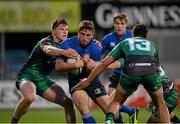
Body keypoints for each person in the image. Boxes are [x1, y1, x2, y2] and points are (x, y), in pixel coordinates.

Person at [73, 24, 170, 123]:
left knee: (116, 101)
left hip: (131, 72)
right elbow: (158, 67)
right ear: (146, 35)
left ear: (133, 33)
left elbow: (104, 63)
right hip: (150, 72)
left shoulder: (125, 42)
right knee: (161, 104)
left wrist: (88, 80)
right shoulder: (152, 45)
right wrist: (165, 82)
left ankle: (109, 120)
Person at [11, 19, 77, 123]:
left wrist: (94, 42)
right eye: (61, 29)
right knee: (29, 97)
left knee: (68, 102)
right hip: (28, 75)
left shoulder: (67, 45)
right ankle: (14, 121)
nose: (65, 32)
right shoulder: (46, 41)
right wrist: (64, 53)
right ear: (53, 31)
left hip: (44, 79)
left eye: (67, 29)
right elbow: (48, 50)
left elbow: (82, 42)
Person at [55, 20, 122, 123]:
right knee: (82, 106)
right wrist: (75, 65)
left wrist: (90, 65)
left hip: (93, 82)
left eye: (88, 35)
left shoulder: (96, 47)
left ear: (92, 35)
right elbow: (58, 67)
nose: (85, 38)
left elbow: (97, 69)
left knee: (113, 112)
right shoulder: (67, 44)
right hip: (76, 83)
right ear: (78, 33)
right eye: (82, 34)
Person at [101, 12, 139, 123]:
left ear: (126, 24)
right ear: (113, 24)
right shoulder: (108, 39)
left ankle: (131, 111)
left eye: (122, 23)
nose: (119, 26)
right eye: (117, 23)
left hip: (129, 75)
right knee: (110, 103)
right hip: (116, 75)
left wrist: (114, 64)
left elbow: (134, 57)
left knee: (112, 102)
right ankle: (132, 111)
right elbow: (98, 53)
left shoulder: (131, 38)